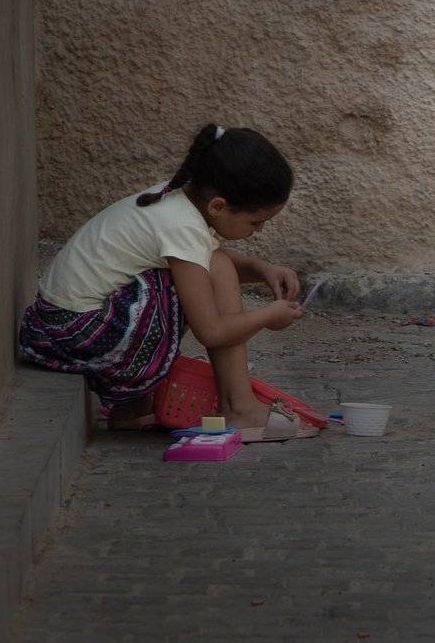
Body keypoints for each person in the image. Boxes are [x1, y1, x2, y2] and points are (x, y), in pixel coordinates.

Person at [19, 124, 315, 437]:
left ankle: (132, 409)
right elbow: (212, 331)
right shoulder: (181, 227)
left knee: (214, 264)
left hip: (55, 327)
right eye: (256, 222)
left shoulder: (174, 202)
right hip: (79, 332)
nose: (259, 230)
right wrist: (268, 316)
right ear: (218, 206)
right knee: (218, 267)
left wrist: (261, 268)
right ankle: (239, 408)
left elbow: (199, 259)